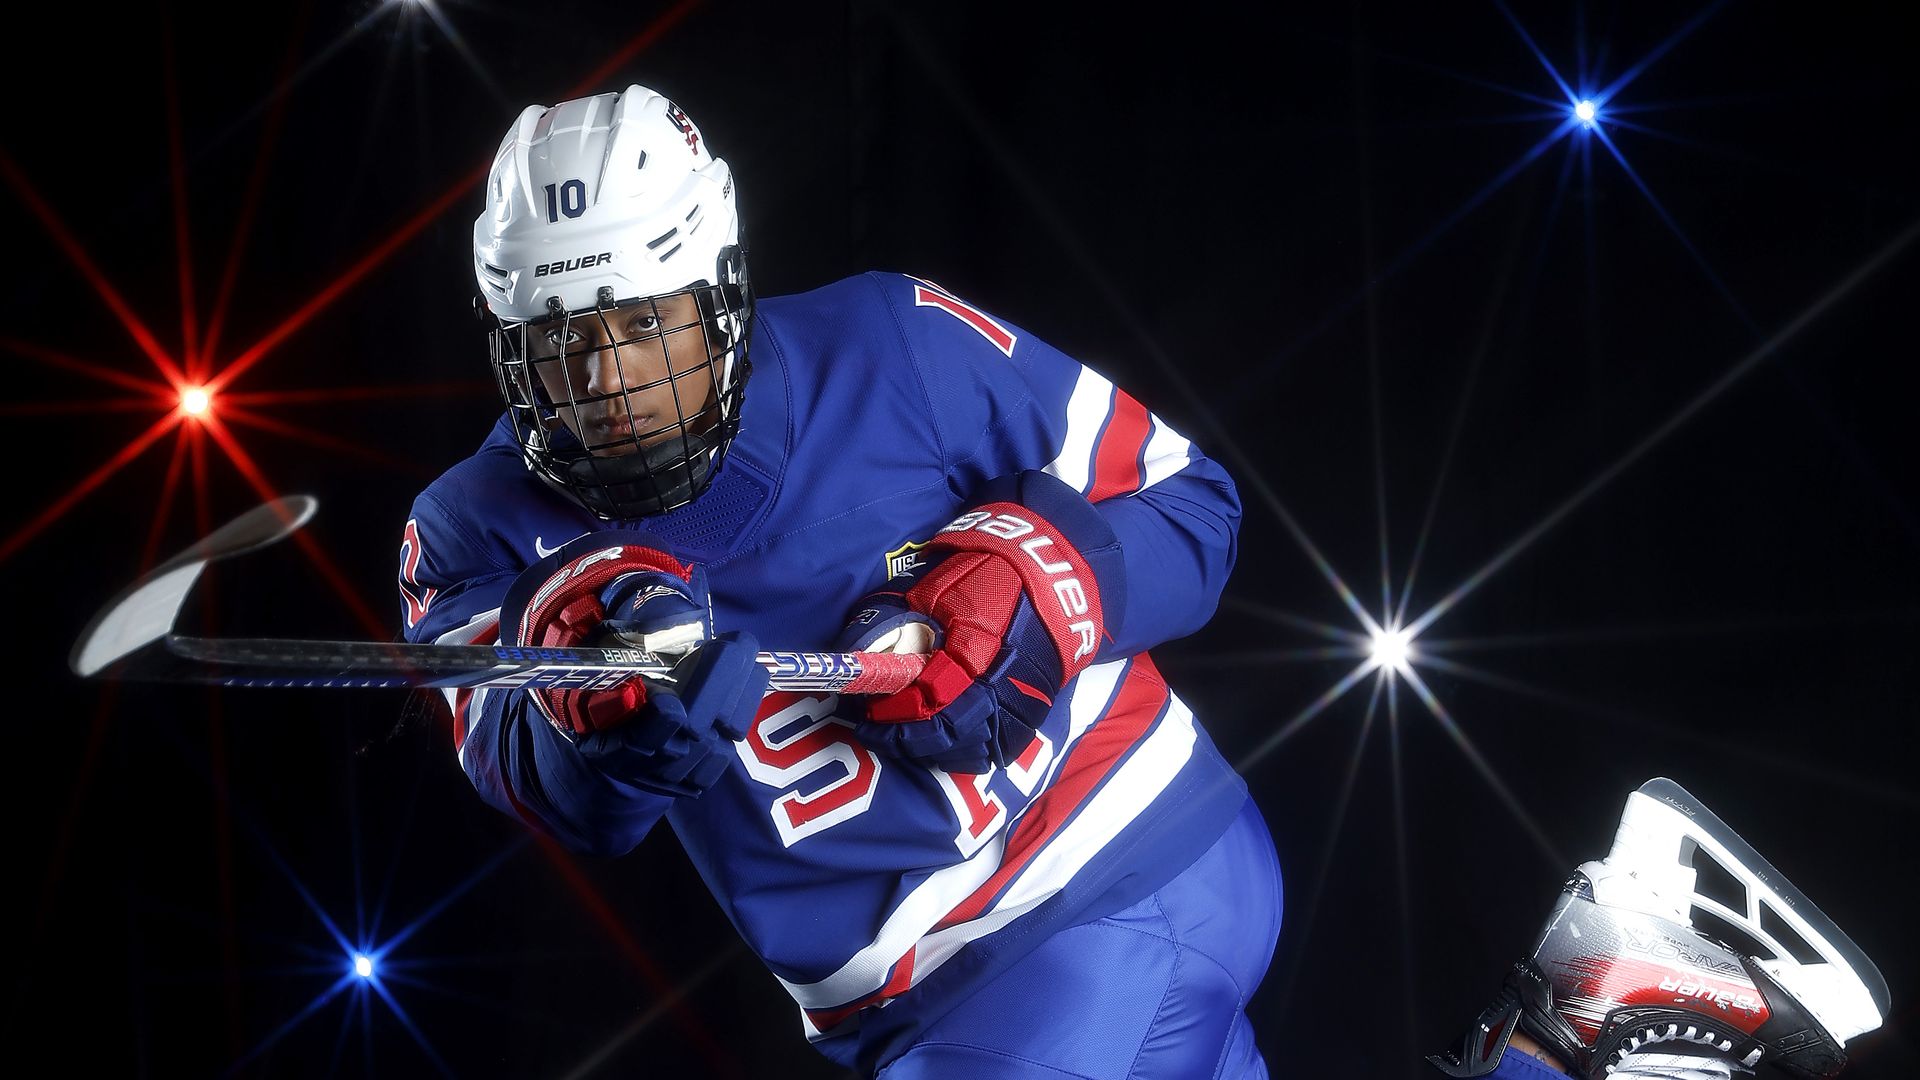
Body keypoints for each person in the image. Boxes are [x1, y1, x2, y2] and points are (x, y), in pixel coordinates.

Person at [398, 84, 1280, 1077]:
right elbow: (553, 799)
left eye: (643, 323)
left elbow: (1192, 506)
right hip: (919, 1008)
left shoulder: (892, 340)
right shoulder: (471, 528)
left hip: (1100, 875)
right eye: (558, 340)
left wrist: (1032, 590)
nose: (607, 384)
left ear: (718, 286)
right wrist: (609, 717)